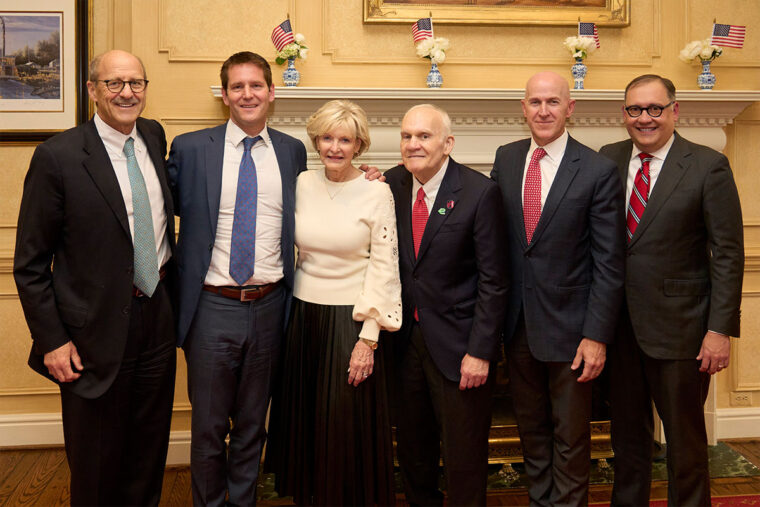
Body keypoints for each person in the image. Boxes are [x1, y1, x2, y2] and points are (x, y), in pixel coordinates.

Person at [13, 49, 176, 506]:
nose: (127, 92)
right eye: (114, 83)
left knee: (148, 453)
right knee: (97, 463)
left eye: (136, 83)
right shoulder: (58, 157)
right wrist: (52, 341)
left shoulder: (153, 136)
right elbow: (29, 265)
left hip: (156, 319)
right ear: (92, 90)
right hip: (90, 335)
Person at [167, 51, 307, 506]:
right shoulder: (190, 149)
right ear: (224, 94)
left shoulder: (292, 151)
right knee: (208, 427)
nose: (248, 94)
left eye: (256, 85)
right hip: (211, 307)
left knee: (252, 425)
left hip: (270, 306)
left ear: (272, 91)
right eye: (238, 86)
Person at [600, 74, 744, 506]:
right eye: (634, 110)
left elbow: (729, 254)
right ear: (623, 115)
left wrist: (719, 330)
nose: (644, 118)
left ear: (674, 111)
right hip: (618, 330)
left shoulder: (707, 164)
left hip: (683, 332)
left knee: (685, 447)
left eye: (654, 109)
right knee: (626, 443)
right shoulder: (606, 160)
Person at [490, 71, 625, 506]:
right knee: (531, 432)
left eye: (552, 102)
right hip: (517, 325)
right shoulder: (506, 158)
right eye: (535, 102)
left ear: (570, 108)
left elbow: (608, 261)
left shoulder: (598, 169)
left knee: (570, 438)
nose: (543, 110)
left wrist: (597, 335)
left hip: (573, 331)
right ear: (523, 108)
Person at [266, 99, 402, 505]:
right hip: (302, 318)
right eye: (327, 138)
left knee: (344, 429)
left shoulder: (377, 192)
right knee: (306, 426)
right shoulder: (301, 183)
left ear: (359, 145)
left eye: (345, 139)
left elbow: (385, 265)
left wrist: (369, 338)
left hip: (351, 323)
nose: (335, 148)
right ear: (316, 140)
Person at [383, 104, 509, 506]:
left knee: (463, 455)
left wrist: (480, 352)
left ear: (448, 143)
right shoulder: (388, 184)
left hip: (460, 348)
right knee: (414, 452)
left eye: (424, 136)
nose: (413, 144)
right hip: (402, 345)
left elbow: (495, 280)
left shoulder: (479, 192)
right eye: (406, 136)